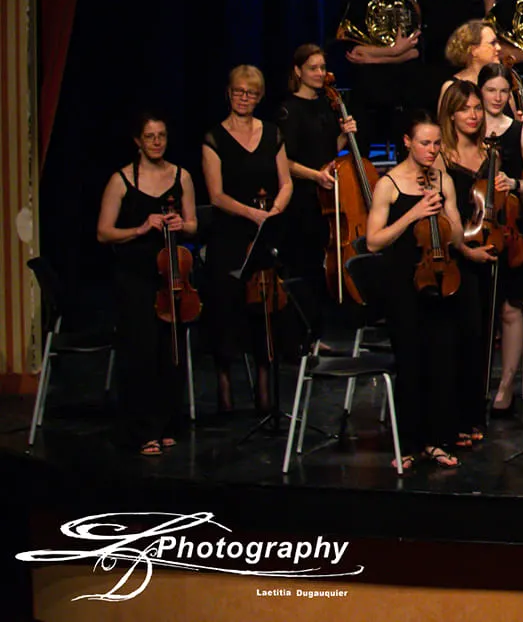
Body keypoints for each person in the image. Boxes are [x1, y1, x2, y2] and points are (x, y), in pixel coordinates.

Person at [363, 110, 467, 471]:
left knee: (442, 361)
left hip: (441, 276)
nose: (432, 150)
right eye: (425, 143)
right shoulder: (388, 185)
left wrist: (449, 218)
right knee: (410, 363)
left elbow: (456, 236)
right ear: (408, 143)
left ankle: (436, 442)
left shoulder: (443, 180)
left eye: (437, 143)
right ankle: (406, 445)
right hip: (402, 283)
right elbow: (374, 241)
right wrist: (413, 214)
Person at [96, 114, 198, 455]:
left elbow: (194, 225)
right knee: (140, 352)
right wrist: (140, 229)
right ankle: (139, 430)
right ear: (138, 141)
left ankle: (166, 423)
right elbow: (104, 232)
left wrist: (182, 223)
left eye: (162, 136)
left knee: (169, 352)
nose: (157, 142)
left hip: (171, 275)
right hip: (135, 277)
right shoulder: (121, 180)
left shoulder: (181, 175)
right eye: (150, 137)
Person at [199, 65, 293, 415]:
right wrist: (252, 214)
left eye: (251, 93)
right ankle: (225, 394)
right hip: (230, 236)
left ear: (259, 96)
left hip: (265, 235)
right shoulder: (214, 138)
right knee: (226, 312)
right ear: (228, 93)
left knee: (265, 314)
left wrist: (276, 209)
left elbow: (286, 182)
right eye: (238, 91)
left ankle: (265, 396)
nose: (244, 98)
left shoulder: (272, 133)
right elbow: (217, 195)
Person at [436, 80, 508, 450]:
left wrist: (505, 187)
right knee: (459, 339)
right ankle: (454, 418)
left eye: (477, 108)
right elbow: (442, 219)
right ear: (450, 114)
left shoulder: (487, 154)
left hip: (486, 253)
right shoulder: (441, 156)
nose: (473, 115)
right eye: (465, 108)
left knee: (482, 338)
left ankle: (473, 413)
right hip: (454, 256)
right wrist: (466, 251)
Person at [274, 44, 355, 329]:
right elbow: (286, 160)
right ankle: (306, 333)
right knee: (306, 264)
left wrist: (345, 137)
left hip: (327, 192)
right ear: (298, 71)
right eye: (313, 68)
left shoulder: (325, 104)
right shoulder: (288, 110)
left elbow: (328, 148)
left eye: (323, 67)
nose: (321, 73)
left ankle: (330, 326)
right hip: (303, 197)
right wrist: (315, 175)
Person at [477, 64, 523, 416]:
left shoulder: (522, 132)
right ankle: (474, 381)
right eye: (491, 91)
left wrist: (513, 184)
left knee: (510, 308)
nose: (498, 98)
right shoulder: (467, 128)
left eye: (504, 91)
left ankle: (506, 384)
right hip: (477, 229)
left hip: (511, 231)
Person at [334, 0, 422, 151]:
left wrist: (374, 56)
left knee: (407, 151)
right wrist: (395, 51)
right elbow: (351, 50)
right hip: (366, 88)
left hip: (400, 88)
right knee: (361, 153)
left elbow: (415, 52)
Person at [439, 19, 501, 102]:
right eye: (492, 43)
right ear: (474, 50)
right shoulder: (452, 87)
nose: (499, 48)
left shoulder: (503, 82)